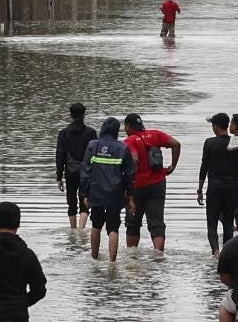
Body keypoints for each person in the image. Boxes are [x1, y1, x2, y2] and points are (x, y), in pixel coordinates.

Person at [122, 113, 181, 251]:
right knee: (156, 222)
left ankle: (132, 255)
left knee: (133, 222)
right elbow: (176, 144)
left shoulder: (129, 141)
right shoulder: (155, 134)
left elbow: (135, 159)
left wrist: (131, 180)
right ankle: (158, 255)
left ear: (128, 126)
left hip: (138, 186)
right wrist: (172, 167)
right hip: (158, 184)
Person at [80, 117, 136, 261]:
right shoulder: (122, 148)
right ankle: (112, 261)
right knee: (113, 228)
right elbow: (130, 174)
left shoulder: (93, 145)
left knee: (96, 225)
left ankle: (94, 258)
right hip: (115, 193)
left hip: (96, 192)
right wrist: (129, 194)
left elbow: (86, 172)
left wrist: (84, 193)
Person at [197, 112, 238, 256]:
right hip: (232, 187)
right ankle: (227, 252)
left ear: (215, 126)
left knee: (212, 223)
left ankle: (215, 252)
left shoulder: (209, 143)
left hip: (214, 186)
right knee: (228, 223)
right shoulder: (237, 143)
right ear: (227, 126)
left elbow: (204, 167)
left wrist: (200, 189)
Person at [55, 102, 98, 229]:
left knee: (71, 203)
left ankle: (73, 229)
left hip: (70, 172)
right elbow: (95, 155)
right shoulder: (91, 133)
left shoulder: (63, 133)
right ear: (84, 115)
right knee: (85, 201)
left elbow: (60, 156)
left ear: (71, 115)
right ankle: (80, 230)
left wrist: (59, 176)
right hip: (87, 172)